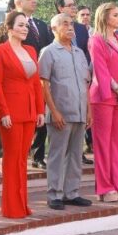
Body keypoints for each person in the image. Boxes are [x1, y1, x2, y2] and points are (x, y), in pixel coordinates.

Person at [0, 10, 45, 218]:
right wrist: (3, 111)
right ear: (9, 28)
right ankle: (12, 208)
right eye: (20, 25)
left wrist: (40, 109)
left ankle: (22, 205)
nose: (25, 28)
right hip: (10, 113)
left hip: (30, 111)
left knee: (23, 159)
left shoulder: (31, 50)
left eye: (26, 25)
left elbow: (35, 83)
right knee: (12, 160)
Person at [39, 13, 92, 209]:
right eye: (64, 24)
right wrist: (54, 112)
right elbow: (43, 84)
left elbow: (85, 84)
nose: (70, 27)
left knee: (76, 155)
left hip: (79, 112)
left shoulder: (79, 53)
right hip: (60, 113)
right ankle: (54, 194)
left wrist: (89, 111)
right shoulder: (48, 52)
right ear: (54, 29)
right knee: (57, 155)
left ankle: (72, 193)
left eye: (71, 24)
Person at [88, 2, 118, 201]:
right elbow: (100, 69)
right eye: (116, 14)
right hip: (103, 97)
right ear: (105, 17)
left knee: (117, 142)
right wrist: (116, 89)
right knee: (103, 143)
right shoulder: (95, 40)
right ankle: (105, 187)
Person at [13, 0, 52, 169]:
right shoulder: (14, 24)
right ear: (19, 3)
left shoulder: (41, 25)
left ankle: (38, 155)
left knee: (41, 113)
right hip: (22, 78)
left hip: (42, 77)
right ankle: (22, 152)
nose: (34, 1)